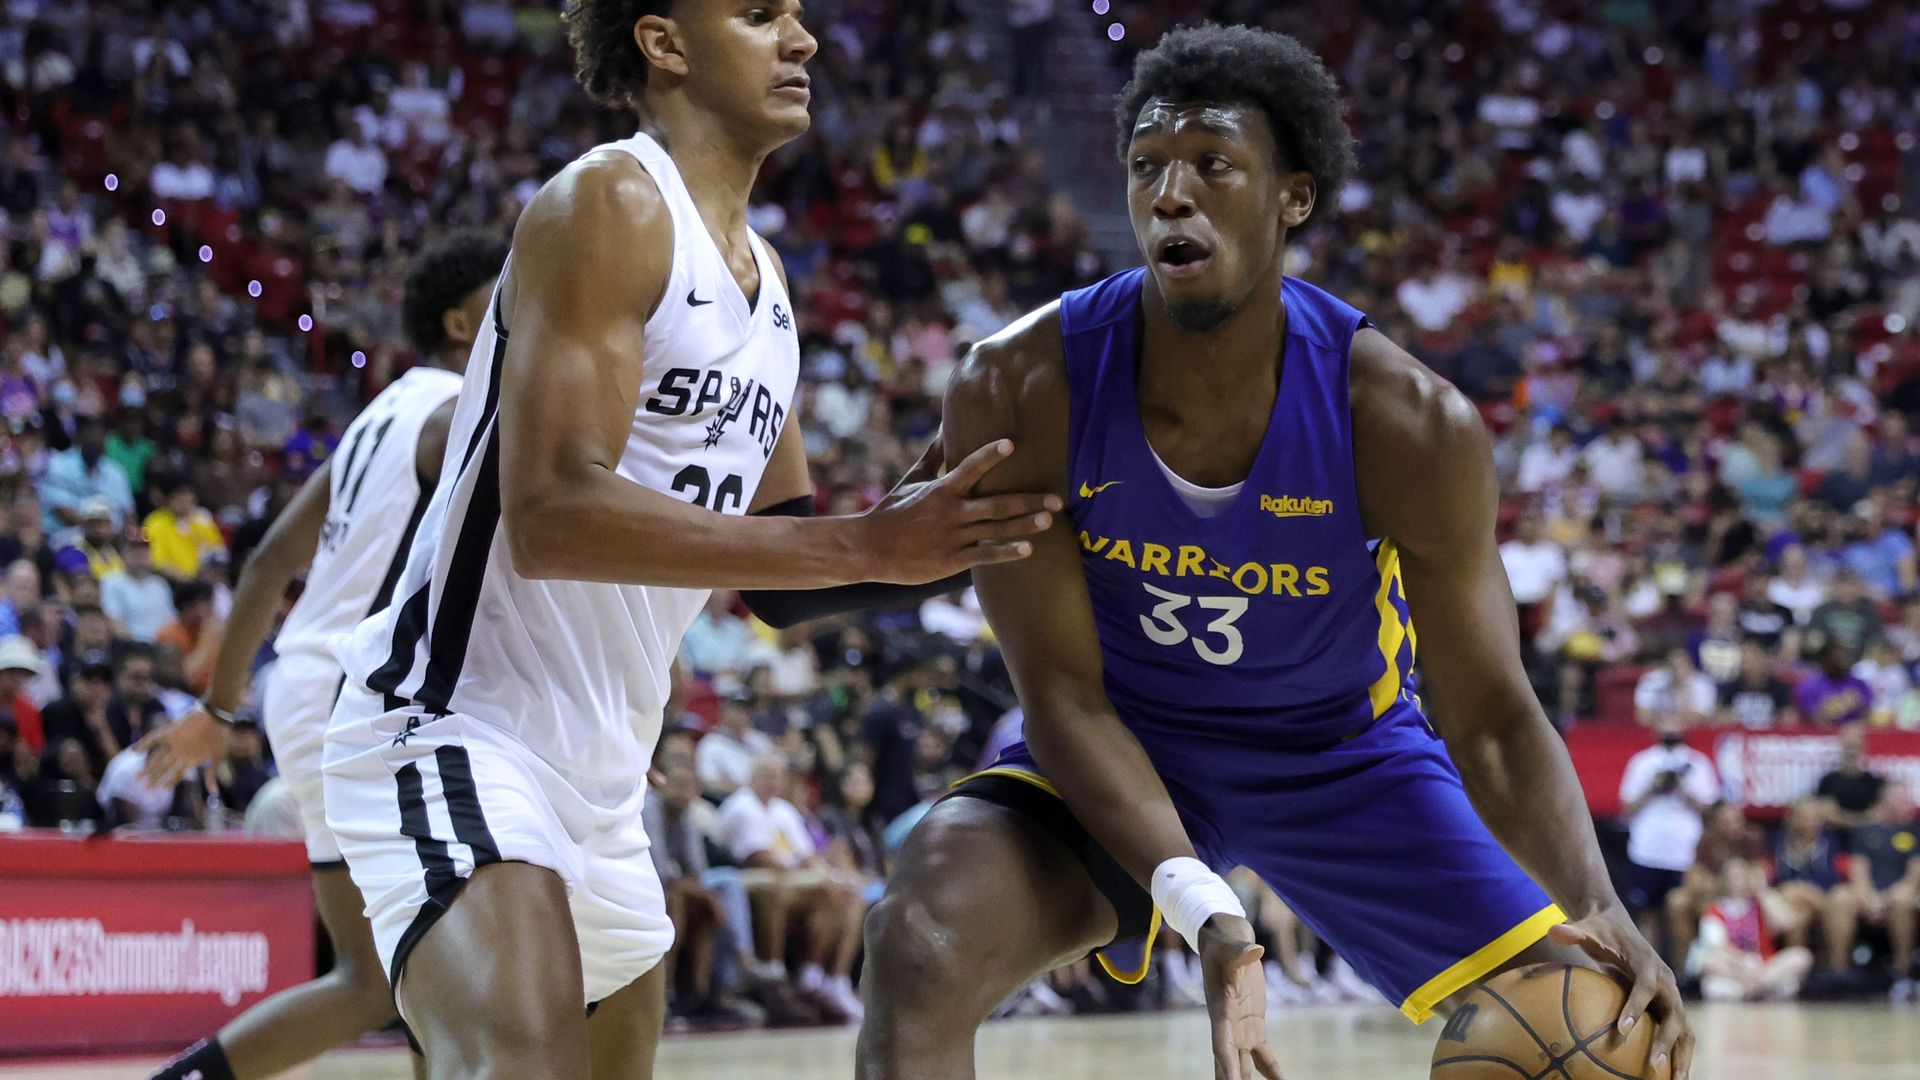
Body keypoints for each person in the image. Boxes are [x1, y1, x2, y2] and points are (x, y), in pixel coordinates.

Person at [858, 26, 1691, 1080]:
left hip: (1342, 755)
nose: (1172, 193)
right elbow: (1062, 696)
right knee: (918, 937)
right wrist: (1203, 908)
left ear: (1292, 197)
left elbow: (1488, 715)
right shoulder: (1024, 383)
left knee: (1606, 1036)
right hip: (1122, 742)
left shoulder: (1408, 422)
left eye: (1213, 165)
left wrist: (1598, 900)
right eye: (1148, 167)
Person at [317, 4, 1056, 1077]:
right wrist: (867, 545)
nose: (802, 41)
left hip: (606, 778)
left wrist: (969, 517)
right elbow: (552, 515)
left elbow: (789, 577)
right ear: (664, 43)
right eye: (760, 14)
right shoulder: (612, 202)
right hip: (453, 723)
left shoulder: (771, 288)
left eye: (801, 17)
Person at [134, 230, 508, 1080]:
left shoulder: (383, 414)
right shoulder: (456, 417)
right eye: (507, 295)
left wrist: (220, 709)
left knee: (379, 974)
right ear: (461, 322)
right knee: (441, 948)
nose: (528, 309)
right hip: (361, 689)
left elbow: (268, 561)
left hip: (305, 684)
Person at [718, 752, 867, 1021]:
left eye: (779, 776)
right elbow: (758, 857)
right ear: (753, 776)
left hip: (790, 878)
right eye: (769, 775)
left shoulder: (784, 810)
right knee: (802, 889)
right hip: (752, 878)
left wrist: (819, 872)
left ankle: (827, 976)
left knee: (847, 895)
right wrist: (811, 873)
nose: (775, 781)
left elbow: (807, 854)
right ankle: (775, 970)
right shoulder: (741, 805)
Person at [1617, 716, 1720, 955]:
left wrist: (1683, 788)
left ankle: (1683, 974)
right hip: (1647, 850)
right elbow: (1627, 809)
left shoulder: (1697, 763)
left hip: (1685, 852)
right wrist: (1652, 788)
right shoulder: (1643, 762)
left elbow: (1710, 812)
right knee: (1646, 914)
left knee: (1683, 911)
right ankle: (1644, 966)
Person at [1829, 788, 1919, 1001]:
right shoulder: (1865, 831)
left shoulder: (1915, 831)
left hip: (1901, 893)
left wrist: (1892, 895)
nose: (1908, 806)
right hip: (1869, 894)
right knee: (1839, 898)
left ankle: (1902, 973)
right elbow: (1858, 869)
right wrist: (1868, 898)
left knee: (1902, 899)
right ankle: (1838, 973)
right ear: (1885, 803)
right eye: (1902, 801)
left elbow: (1915, 872)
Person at [1690, 859, 1813, 1003]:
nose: (1738, 882)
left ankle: (1747, 990)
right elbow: (1716, 947)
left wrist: (1763, 890)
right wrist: (1744, 962)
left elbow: (1786, 923)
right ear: (1724, 881)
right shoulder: (1715, 911)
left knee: (1801, 956)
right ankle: (1764, 988)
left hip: (1764, 966)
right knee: (1708, 961)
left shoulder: (1761, 904)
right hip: (1736, 966)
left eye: (1742, 876)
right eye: (1733, 877)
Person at [142, 477, 227, 581]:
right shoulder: (154, 521)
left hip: (204, 581)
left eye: (187, 496)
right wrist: (187, 580)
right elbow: (155, 562)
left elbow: (218, 553)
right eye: (177, 497)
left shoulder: (203, 520)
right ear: (168, 499)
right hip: (172, 582)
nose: (183, 501)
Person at [1815, 723, 1886, 832]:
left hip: (1870, 840)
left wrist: (1842, 818)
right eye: (1849, 746)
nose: (1852, 752)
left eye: (1856, 746)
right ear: (1841, 746)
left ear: (1864, 747)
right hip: (1836, 839)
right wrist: (1863, 819)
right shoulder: (1828, 781)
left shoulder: (1875, 782)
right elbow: (1827, 815)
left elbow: (1879, 815)